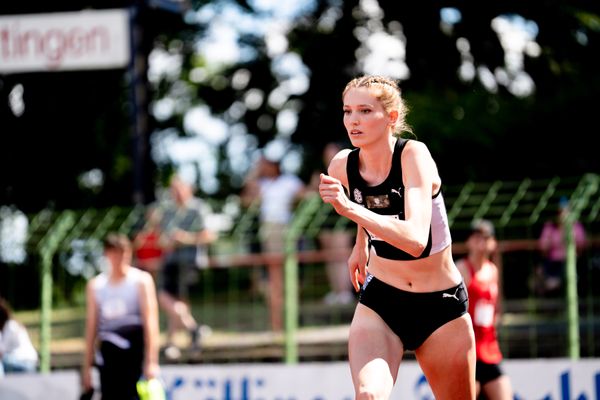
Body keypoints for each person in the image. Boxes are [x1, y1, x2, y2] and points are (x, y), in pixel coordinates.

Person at [318, 74, 475, 399]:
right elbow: (369, 199)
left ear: (390, 117)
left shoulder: (413, 155)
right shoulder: (341, 166)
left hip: (440, 306)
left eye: (364, 111)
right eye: (347, 111)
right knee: (369, 396)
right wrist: (361, 243)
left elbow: (416, 239)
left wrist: (350, 211)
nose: (353, 121)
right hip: (382, 303)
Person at [82, 233, 160, 400]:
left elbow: (151, 322)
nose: (121, 258)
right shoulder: (96, 286)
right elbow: (91, 327)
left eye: (124, 252)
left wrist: (151, 360)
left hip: (134, 353)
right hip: (109, 355)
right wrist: (86, 366)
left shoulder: (141, 280)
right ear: (107, 254)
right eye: (116, 253)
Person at [240, 153, 307, 330]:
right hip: (270, 230)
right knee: (275, 277)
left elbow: (306, 195)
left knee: (286, 276)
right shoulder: (262, 184)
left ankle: (286, 319)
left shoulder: (288, 181)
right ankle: (278, 321)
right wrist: (254, 174)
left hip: (284, 228)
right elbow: (246, 200)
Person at [157, 175, 217, 359]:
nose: (176, 194)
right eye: (173, 190)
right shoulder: (168, 211)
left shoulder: (199, 208)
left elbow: (210, 235)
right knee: (173, 300)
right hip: (171, 261)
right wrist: (170, 241)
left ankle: (173, 342)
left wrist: (185, 238)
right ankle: (192, 331)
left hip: (189, 261)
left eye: (179, 189)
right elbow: (161, 240)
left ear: (188, 189)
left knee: (174, 299)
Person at [456, 219, 513, 400]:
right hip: (467, 349)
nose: (482, 242)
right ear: (469, 241)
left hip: (489, 349)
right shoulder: (462, 269)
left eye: (486, 237)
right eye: (477, 237)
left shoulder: (492, 270)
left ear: (493, 242)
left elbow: (495, 306)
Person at [309, 142, 356, 305]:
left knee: (341, 255)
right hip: (325, 220)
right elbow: (311, 195)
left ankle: (345, 292)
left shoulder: (350, 171)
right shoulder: (321, 174)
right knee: (330, 257)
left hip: (342, 219)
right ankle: (336, 291)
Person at [537, 196, 587, 296]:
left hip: (572, 262)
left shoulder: (576, 226)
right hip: (553, 262)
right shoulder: (550, 226)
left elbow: (582, 246)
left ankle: (556, 284)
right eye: (560, 211)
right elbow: (542, 247)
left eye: (565, 211)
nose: (562, 215)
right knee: (539, 271)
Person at [0, 297, 38, 376]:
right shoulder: (13, 324)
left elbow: (2, 351)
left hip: (23, 362)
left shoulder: (10, 326)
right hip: (30, 361)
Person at [133, 205, 165, 281]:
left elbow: (166, 250)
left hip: (157, 266)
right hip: (142, 265)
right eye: (150, 215)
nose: (153, 217)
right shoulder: (141, 232)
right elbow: (134, 248)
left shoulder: (162, 232)